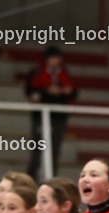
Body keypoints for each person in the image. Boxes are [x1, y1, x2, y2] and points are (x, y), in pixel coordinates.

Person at [25, 47, 77, 180]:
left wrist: (65, 91)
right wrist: (47, 91)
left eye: (57, 58)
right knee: (37, 146)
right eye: (52, 58)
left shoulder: (64, 72)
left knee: (55, 147)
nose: (55, 61)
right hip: (40, 116)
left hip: (59, 116)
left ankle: (51, 177)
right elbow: (30, 91)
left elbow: (74, 92)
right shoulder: (37, 71)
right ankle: (32, 177)